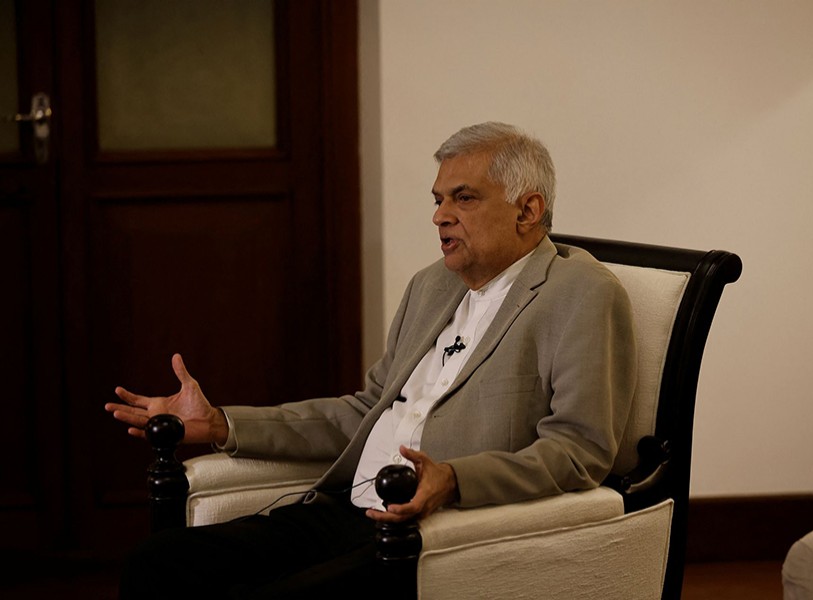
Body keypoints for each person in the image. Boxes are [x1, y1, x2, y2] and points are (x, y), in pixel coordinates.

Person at [106, 121, 637, 598]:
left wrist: (454, 478)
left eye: (464, 198)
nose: (440, 216)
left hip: (433, 529)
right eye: (437, 199)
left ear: (528, 210)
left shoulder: (579, 292)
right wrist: (222, 424)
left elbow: (579, 451)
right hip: (347, 509)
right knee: (157, 564)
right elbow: (365, 412)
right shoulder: (431, 285)